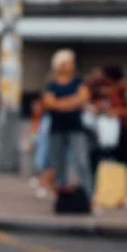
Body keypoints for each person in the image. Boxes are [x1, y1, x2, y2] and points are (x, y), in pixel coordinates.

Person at [40, 49, 91, 199]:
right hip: (57, 128)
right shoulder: (51, 85)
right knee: (59, 163)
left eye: (69, 62)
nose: (66, 66)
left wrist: (60, 103)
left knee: (81, 161)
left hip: (76, 127)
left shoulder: (79, 83)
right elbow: (49, 103)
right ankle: (63, 194)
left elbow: (82, 98)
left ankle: (87, 195)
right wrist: (71, 102)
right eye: (63, 63)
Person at [102, 64, 127, 208]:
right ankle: (117, 192)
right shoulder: (112, 89)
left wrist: (117, 111)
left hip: (124, 128)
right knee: (115, 161)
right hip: (111, 130)